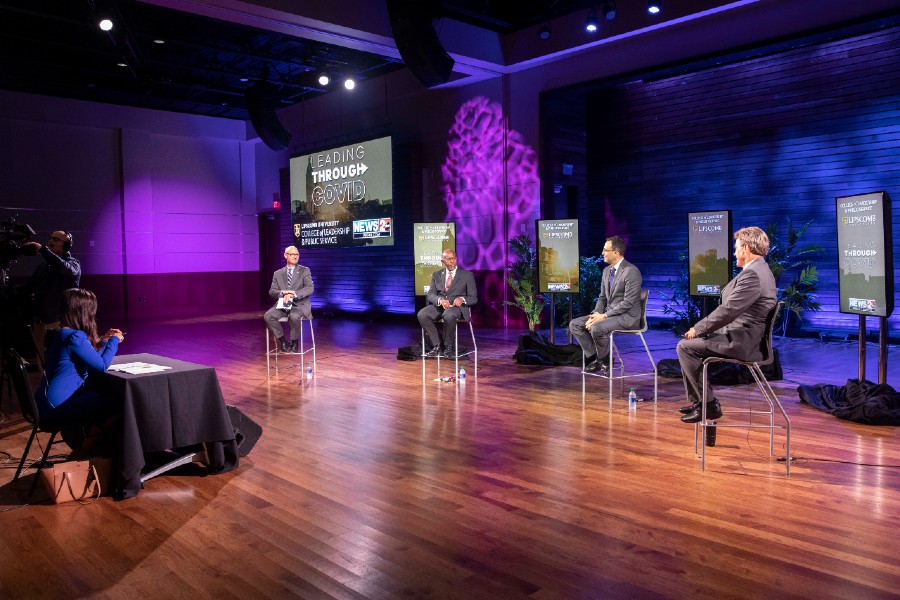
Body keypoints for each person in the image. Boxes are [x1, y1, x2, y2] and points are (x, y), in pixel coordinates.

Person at [677, 226, 777, 423]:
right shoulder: (760, 270)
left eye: (736, 247)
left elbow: (729, 310)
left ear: (746, 248)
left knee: (685, 348)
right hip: (741, 334)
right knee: (690, 345)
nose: (734, 252)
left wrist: (699, 329)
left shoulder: (753, 275)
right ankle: (701, 402)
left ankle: (708, 405)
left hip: (742, 341)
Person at [36, 288, 124, 455]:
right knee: (120, 404)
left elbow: (91, 358)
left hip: (43, 404)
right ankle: (86, 450)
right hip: (57, 409)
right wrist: (114, 341)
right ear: (84, 312)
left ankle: (87, 446)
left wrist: (104, 341)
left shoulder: (60, 333)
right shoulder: (74, 337)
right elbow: (101, 366)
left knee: (99, 397)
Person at [569, 236, 642, 373]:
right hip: (608, 315)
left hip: (627, 317)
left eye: (605, 250)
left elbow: (628, 303)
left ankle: (604, 360)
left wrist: (604, 316)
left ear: (616, 252)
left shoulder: (631, 271)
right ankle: (598, 358)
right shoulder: (607, 271)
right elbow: (602, 297)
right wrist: (596, 315)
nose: (602, 253)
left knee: (597, 328)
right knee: (575, 325)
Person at [22, 230, 81, 354]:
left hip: (59, 321)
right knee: (41, 358)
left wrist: (42, 250)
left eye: (56, 239)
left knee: (59, 356)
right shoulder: (43, 267)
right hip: (40, 322)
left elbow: (64, 268)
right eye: (50, 238)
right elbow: (29, 288)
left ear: (67, 245)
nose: (50, 241)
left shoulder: (73, 264)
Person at [418, 249, 478, 358]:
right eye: (449, 259)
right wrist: (440, 300)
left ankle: (448, 347)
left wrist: (461, 299)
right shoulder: (436, 275)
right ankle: (437, 345)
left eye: (454, 258)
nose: (452, 262)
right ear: (443, 261)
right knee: (422, 314)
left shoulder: (467, 275)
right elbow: (431, 294)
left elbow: (473, 298)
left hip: (457, 308)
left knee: (448, 315)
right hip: (441, 306)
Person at [264, 245, 314, 353]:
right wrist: (283, 293)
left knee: (293, 316)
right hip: (283, 304)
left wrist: (293, 294)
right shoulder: (277, 273)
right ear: (285, 255)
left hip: (299, 305)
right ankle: (283, 341)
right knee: (268, 316)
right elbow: (272, 291)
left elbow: (310, 288)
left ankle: (295, 341)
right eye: (292, 254)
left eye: (297, 254)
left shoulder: (304, 271)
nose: (295, 257)